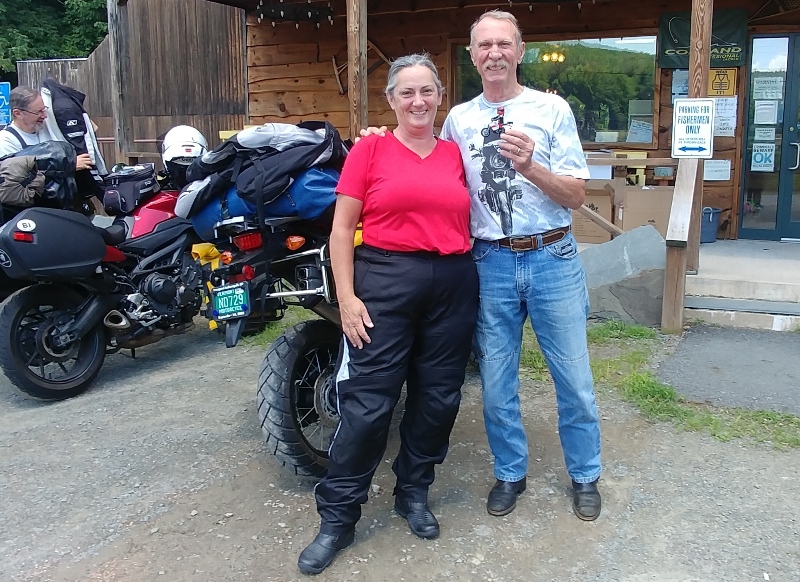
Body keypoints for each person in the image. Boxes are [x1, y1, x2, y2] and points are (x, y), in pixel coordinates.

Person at [363, 9, 602, 522]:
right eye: (485, 45)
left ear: (520, 51)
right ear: (472, 56)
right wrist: (378, 139)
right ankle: (510, 472)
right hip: (489, 261)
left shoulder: (552, 109)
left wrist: (530, 167)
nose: (495, 53)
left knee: (574, 379)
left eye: (504, 44)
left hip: (552, 256)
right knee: (496, 383)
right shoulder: (459, 119)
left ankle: (585, 474)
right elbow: (424, 156)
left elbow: (576, 195)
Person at [297, 54, 478, 576]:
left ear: (440, 96)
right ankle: (337, 518)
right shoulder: (370, 149)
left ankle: (413, 492)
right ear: (392, 100)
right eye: (407, 93)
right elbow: (341, 230)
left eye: (427, 91)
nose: (418, 101)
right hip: (385, 280)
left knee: (439, 397)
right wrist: (346, 297)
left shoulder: (455, 154)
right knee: (369, 404)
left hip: (452, 282)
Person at [0, 86, 93, 171]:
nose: (45, 116)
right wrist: (69, 166)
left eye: (44, 109)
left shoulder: (46, 127)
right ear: (18, 113)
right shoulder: (6, 141)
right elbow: (19, 175)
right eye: (38, 112)